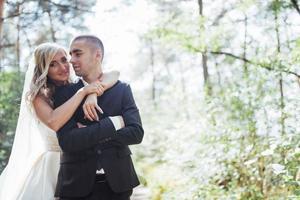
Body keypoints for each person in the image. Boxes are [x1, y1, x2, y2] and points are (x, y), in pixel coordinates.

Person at [0, 42, 120, 200]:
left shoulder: (76, 86)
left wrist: (93, 94)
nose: (63, 67)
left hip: (81, 162)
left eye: (64, 60)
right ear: (44, 69)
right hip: (52, 166)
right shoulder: (38, 97)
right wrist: (83, 92)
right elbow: (54, 121)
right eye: (53, 64)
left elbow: (115, 73)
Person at [53, 35, 144, 200]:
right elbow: (67, 142)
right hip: (76, 186)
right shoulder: (64, 93)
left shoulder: (122, 89)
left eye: (77, 54)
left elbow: (136, 133)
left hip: (119, 184)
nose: (71, 60)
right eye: (70, 55)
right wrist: (112, 124)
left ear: (97, 55)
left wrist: (88, 133)